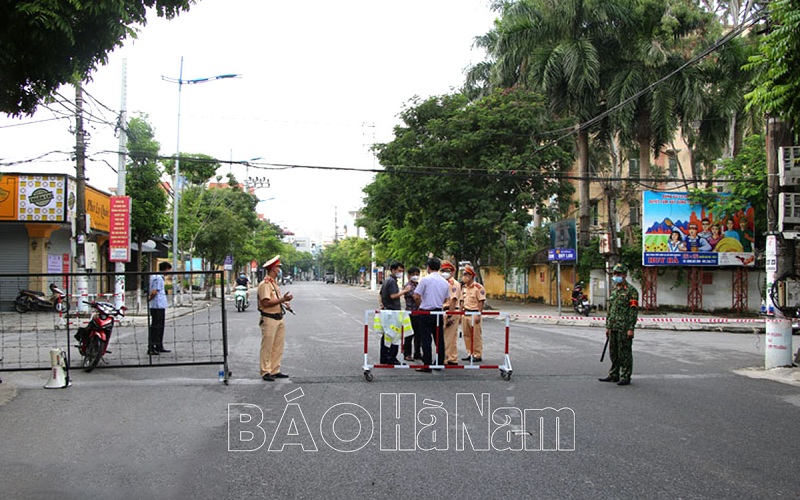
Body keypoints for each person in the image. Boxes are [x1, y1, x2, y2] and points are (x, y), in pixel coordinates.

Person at [599, 263, 639, 386]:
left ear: (624, 275)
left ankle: (625, 375)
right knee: (613, 352)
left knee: (624, 352)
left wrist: (630, 328)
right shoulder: (615, 290)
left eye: (618, 274)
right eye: (615, 273)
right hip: (613, 327)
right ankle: (614, 374)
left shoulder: (631, 291)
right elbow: (611, 310)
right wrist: (608, 326)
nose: (616, 276)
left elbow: (633, 311)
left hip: (624, 327)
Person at [412, 257, 453, 372]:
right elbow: (446, 298)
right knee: (439, 338)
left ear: (428, 267)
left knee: (426, 339)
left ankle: (427, 364)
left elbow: (416, 295)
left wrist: (419, 305)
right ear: (439, 268)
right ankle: (439, 363)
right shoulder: (444, 282)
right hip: (438, 312)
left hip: (425, 312)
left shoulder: (425, 280)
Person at [257, 255, 294, 381]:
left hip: (279, 318)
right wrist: (283, 299)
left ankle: (274, 369)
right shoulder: (265, 284)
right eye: (278, 267)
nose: (279, 270)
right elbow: (266, 302)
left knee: (278, 346)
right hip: (269, 319)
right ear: (273, 269)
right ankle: (265, 371)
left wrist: (284, 303)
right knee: (267, 346)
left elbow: (275, 300)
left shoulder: (274, 284)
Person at [379, 261, 410, 364]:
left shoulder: (386, 280)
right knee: (395, 335)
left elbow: (380, 294)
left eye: (402, 271)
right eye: (399, 270)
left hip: (387, 310)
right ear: (393, 270)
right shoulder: (392, 281)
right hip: (393, 311)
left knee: (387, 334)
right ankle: (391, 357)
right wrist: (404, 291)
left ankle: (384, 357)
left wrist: (382, 304)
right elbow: (393, 296)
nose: (401, 273)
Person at [460, 265, 485, 363]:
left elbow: (481, 301)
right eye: (464, 274)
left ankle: (477, 354)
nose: (464, 276)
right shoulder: (464, 287)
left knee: (476, 336)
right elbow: (462, 300)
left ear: (471, 276)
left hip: (474, 313)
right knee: (466, 335)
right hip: (465, 313)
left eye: (466, 274)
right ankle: (469, 353)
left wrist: (479, 314)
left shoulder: (478, 287)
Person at [147, 261, 172, 355]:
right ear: (166, 269)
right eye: (169, 270)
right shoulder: (158, 278)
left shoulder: (159, 277)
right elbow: (154, 292)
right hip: (157, 305)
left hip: (160, 305)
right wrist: (149, 300)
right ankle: (152, 347)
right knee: (156, 326)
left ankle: (159, 345)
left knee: (160, 326)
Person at [440, 261, 462, 365]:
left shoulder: (453, 284)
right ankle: (452, 358)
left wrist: (450, 314)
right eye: (443, 271)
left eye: (447, 271)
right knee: (451, 337)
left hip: (451, 310)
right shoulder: (445, 283)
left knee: (447, 337)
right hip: (449, 310)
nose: (445, 273)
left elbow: (453, 300)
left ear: (452, 272)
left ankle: (445, 358)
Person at [402, 266, 422, 362]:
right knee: (409, 335)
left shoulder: (418, 285)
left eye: (417, 274)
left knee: (419, 335)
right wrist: (421, 305)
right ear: (408, 275)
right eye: (413, 274)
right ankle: (407, 354)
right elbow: (416, 298)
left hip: (418, 314)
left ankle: (417, 353)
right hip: (410, 313)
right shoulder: (408, 286)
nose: (415, 276)